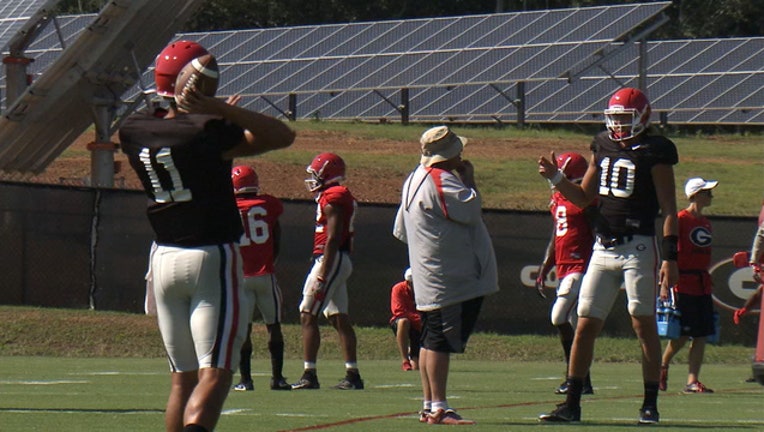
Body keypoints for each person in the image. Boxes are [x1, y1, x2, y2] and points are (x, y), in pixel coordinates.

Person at [119, 40, 295, 432]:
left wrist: (207, 115)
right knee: (214, 373)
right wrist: (220, 109)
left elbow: (177, 131)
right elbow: (281, 135)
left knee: (181, 379)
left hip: (162, 259)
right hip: (209, 258)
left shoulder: (132, 129)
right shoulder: (208, 131)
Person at [537, 87, 678, 425]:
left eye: (625, 118)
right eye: (614, 118)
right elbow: (584, 198)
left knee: (642, 323)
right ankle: (572, 403)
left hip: (638, 245)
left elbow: (670, 209)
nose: (618, 125)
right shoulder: (602, 144)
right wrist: (556, 177)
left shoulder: (656, 150)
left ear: (643, 118)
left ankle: (649, 404)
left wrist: (671, 259)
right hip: (603, 246)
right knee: (584, 323)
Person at [393, 125, 499, 425]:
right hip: (451, 277)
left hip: (430, 275)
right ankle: (439, 405)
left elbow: (400, 229)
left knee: (429, 339)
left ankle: (430, 403)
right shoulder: (442, 180)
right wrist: (470, 181)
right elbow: (470, 210)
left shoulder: (414, 179)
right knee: (439, 341)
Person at [292, 152, 364, 390]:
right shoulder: (332, 195)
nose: (312, 179)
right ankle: (352, 375)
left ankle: (309, 374)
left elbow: (332, 238)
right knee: (338, 318)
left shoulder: (334, 196)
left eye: (315, 174)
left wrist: (323, 270)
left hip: (330, 259)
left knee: (307, 314)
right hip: (336, 259)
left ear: (327, 175)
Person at [535, 152, 596, 395]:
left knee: (559, 316)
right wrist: (545, 266)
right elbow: (556, 235)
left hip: (581, 265)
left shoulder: (586, 198)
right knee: (573, 323)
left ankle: (574, 379)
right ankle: (582, 382)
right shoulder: (558, 197)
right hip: (564, 266)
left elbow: (598, 230)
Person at [230, 165, 291, 392]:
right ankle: (278, 378)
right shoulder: (268, 204)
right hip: (265, 274)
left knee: (244, 329)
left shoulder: (229, 208)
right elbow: (277, 236)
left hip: (241, 275)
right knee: (273, 325)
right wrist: (271, 259)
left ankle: (246, 380)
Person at [659, 177, 719, 394]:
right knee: (682, 334)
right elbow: (669, 252)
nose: (710, 196)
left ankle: (692, 380)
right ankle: (662, 365)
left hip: (701, 284)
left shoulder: (705, 222)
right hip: (682, 283)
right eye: (706, 192)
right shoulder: (680, 219)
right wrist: (665, 283)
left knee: (701, 334)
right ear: (694, 194)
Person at [390, 267, 422, 371]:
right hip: (406, 323)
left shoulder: (425, 290)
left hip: (420, 326)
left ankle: (413, 354)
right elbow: (399, 311)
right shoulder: (398, 289)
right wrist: (419, 320)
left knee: (416, 367)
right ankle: (405, 361)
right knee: (403, 321)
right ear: (407, 282)